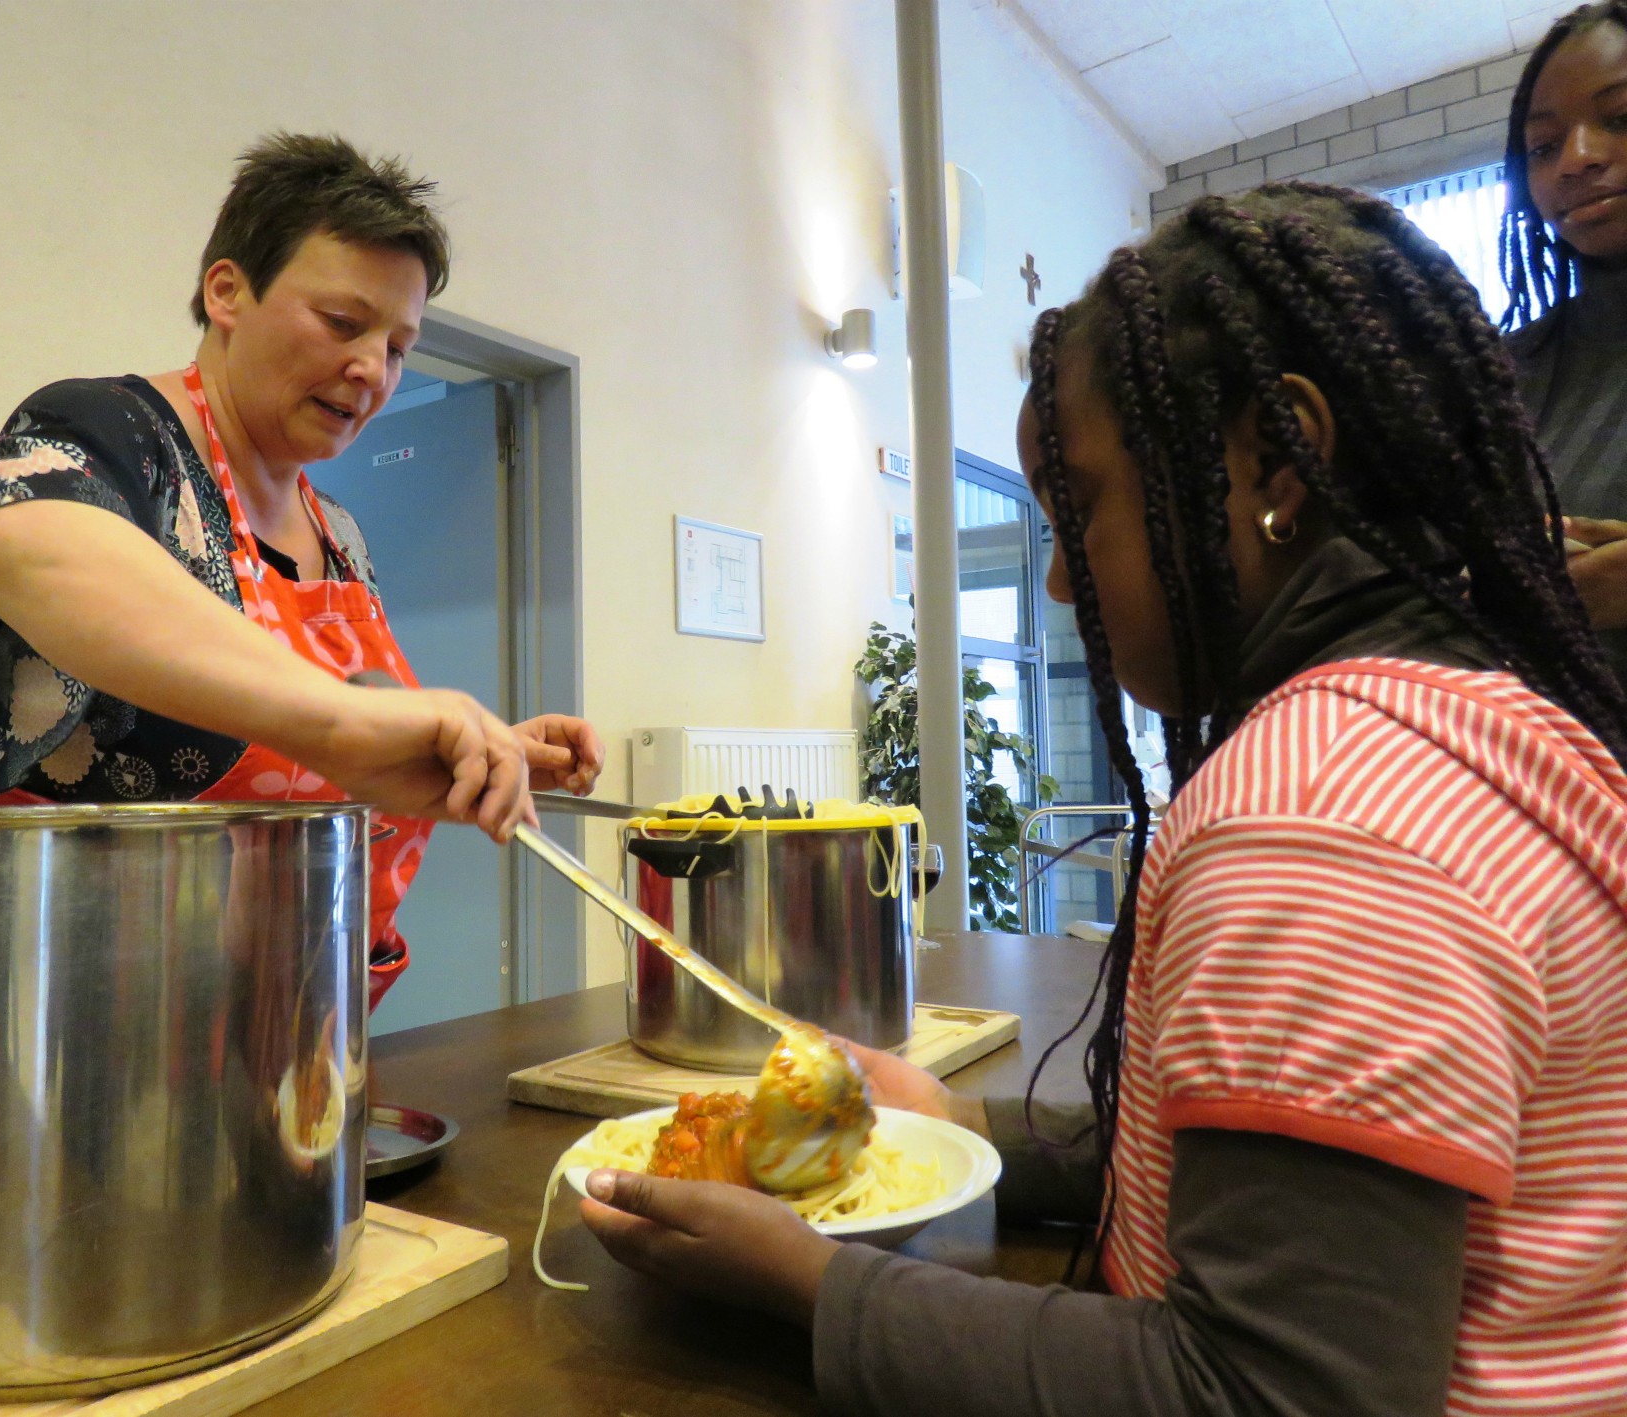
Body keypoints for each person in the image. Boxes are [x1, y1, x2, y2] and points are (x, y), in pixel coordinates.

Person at [576, 184, 1627, 1415]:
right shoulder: (1479, 726)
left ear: (1276, 461)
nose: (1063, 583)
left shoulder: (1326, 820)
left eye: (1075, 508)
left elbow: (1265, 1391)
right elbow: (1275, 1180)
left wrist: (811, 1285)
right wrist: (965, 1127)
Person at [0, 132, 603, 1009]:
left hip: (284, 1036)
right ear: (228, 291)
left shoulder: (338, 531)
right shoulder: (114, 433)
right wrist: (345, 726)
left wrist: (475, 751)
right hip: (59, 1036)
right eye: (343, 322)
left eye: (399, 346)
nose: (373, 369)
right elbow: (21, 545)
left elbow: (338, 721)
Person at [1502, 2, 1627, 680]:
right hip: (1542, 776)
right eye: (1544, 147)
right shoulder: (1504, 375)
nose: (1576, 161)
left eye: (1621, 119)